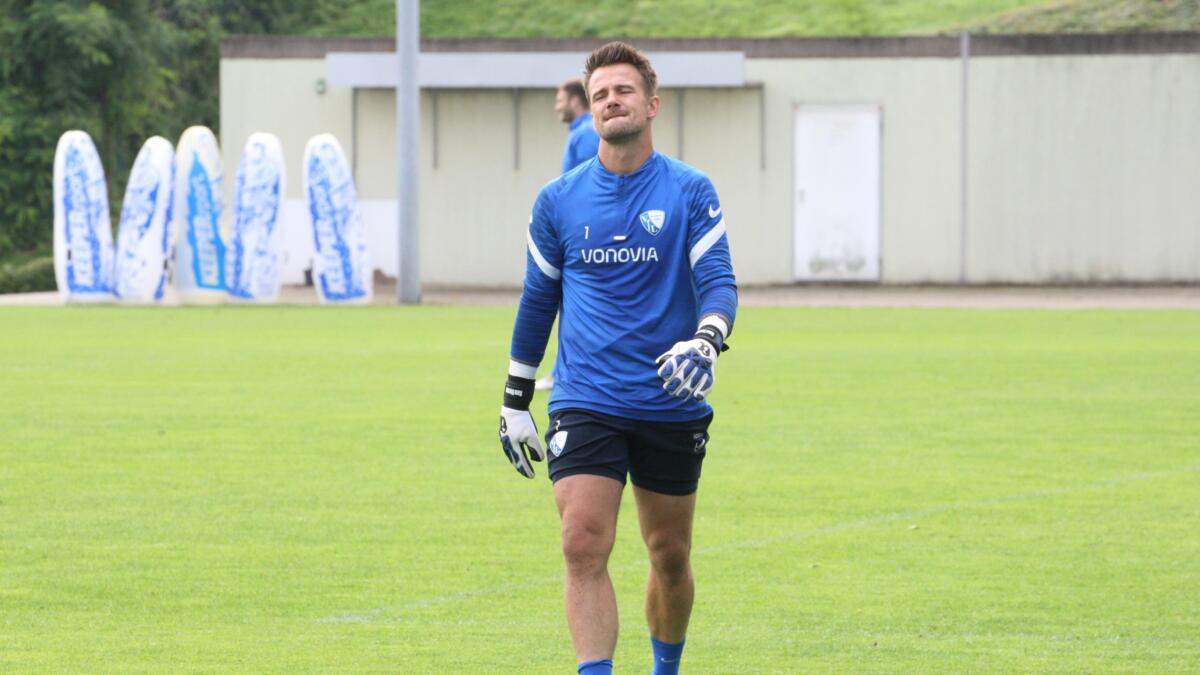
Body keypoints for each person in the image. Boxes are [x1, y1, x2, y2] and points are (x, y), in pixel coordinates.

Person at [497, 42, 737, 675]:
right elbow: (537, 300)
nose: (610, 101)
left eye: (623, 90)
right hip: (586, 397)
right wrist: (515, 400)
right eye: (600, 93)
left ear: (651, 105)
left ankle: (665, 668)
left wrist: (706, 339)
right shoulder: (558, 200)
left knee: (669, 554)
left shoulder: (690, 190)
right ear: (591, 109)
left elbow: (718, 281)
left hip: (670, 396)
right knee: (581, 543)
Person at [538, 78, 602, 391]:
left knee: (576, 301)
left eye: (560, 100)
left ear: (575, 100)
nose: (557, 106)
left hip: (584, 234)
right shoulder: (581, 132)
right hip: (580, 230)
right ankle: (562, 370)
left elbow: (592, 184)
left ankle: (565, 372)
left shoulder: (587, 134)